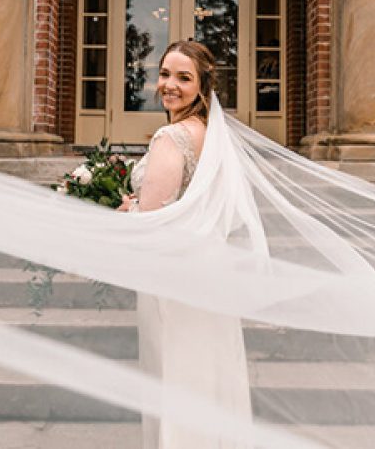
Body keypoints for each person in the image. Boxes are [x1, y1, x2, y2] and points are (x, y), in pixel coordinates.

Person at [117, 40, 252, 449]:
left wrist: (124, 212)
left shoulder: (172, 137)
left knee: (176, 382)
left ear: (202, 86)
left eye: (183, 77)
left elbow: (155, 220)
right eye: (164, 74)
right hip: (209, 275)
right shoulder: (213, 137)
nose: (169, 85)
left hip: (173, 281)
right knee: (207, 382)